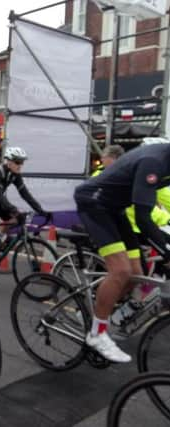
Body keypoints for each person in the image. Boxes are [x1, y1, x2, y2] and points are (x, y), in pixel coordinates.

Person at [74, 141, 170, 363]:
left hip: (115, 207)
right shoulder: (154, 162)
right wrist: (166, 252)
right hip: (94, 203)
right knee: (121, 271)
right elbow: (144, 220)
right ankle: (97, 333)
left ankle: (93, 310)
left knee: (135, 273)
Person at [0, 147, 51, 267]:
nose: (20, 165)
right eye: (18, 162)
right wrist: (14, 209)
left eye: (22, 162)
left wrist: (41, 210)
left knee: (14, 219)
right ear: (8, 161)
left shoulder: (15, 175)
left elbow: (25, 194)